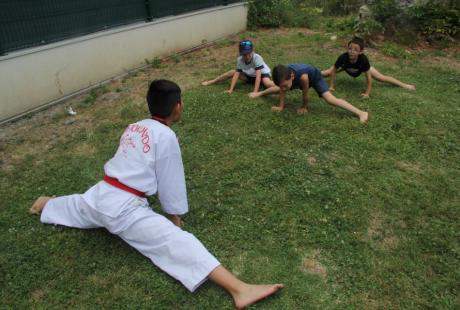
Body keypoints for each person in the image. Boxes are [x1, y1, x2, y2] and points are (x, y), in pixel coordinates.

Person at [30, 80, 283, 309]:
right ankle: (240, 289)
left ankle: (46, 204)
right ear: (177, 107)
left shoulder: (135, 126)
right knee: (177, 242)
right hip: (124, 210)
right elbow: (170, 180)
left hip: (100, 195)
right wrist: (174, 217)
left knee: (77, 207)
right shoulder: (166, 135)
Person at [272, 64, 369, 123]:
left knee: (330, 99)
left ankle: (361, 113)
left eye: (285, 85)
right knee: (279, 89)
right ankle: (259, 94)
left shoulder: (302, 77)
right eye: (281, 86)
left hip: (314, 76)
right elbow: (282, 89)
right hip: (304, 73)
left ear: (292, 76)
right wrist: (281, 106)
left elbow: (305, 92)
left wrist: (304, 106)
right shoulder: (284, 75)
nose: (283, 89)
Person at [322, 36, 416, 98]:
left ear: (361, 52)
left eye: (355, 50)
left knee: (380, 77)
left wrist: (367, 93)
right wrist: (331, 86)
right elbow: (334, 70)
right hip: (345, 66)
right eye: (350, 48)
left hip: (360, 67)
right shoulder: (343, 57)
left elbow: (368, 77)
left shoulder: (363, 60)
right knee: (327, 72)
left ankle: (405, 85)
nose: (351, 51)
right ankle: (312, 74)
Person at [201, 40, 279, 97]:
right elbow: (236, 75)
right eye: (244, 54)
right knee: (232, 72)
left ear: (252, 51)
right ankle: (211, 82)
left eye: (248, 53)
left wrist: (255, 92)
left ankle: (282, 86)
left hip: (262, 75)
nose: (247, 56)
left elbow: (258, 76)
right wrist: (231, 89)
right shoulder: (240, 60)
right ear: (241, 53)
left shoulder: (257, 58)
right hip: (250, 76)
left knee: (267, 83)